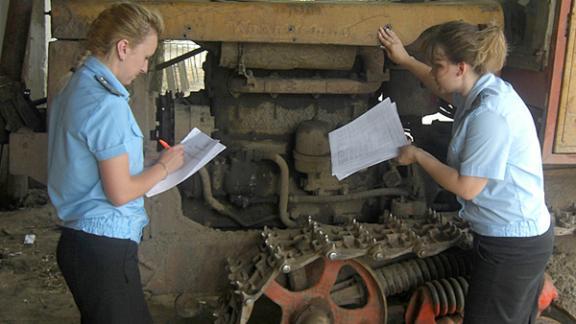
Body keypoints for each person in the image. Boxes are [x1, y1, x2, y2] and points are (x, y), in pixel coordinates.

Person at [378, 21, 554, 323]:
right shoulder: (480, 89)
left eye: (438, 65)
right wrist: (404, 59)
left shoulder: (490, 115)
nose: (433, 72)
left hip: (512, 247)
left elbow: (467, 187)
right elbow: (439, 85)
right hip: (513, 238)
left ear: (461, 67)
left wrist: (418, 155)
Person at [47, 3, 184, 323]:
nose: (145, 68)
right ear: (123, 48)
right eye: (145, 56)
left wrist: (148, 161)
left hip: (81, 244)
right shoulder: (107, 104)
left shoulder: (75, 86)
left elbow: (92, 158)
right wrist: (165, 168)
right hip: (104, 249)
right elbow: (120, 193)